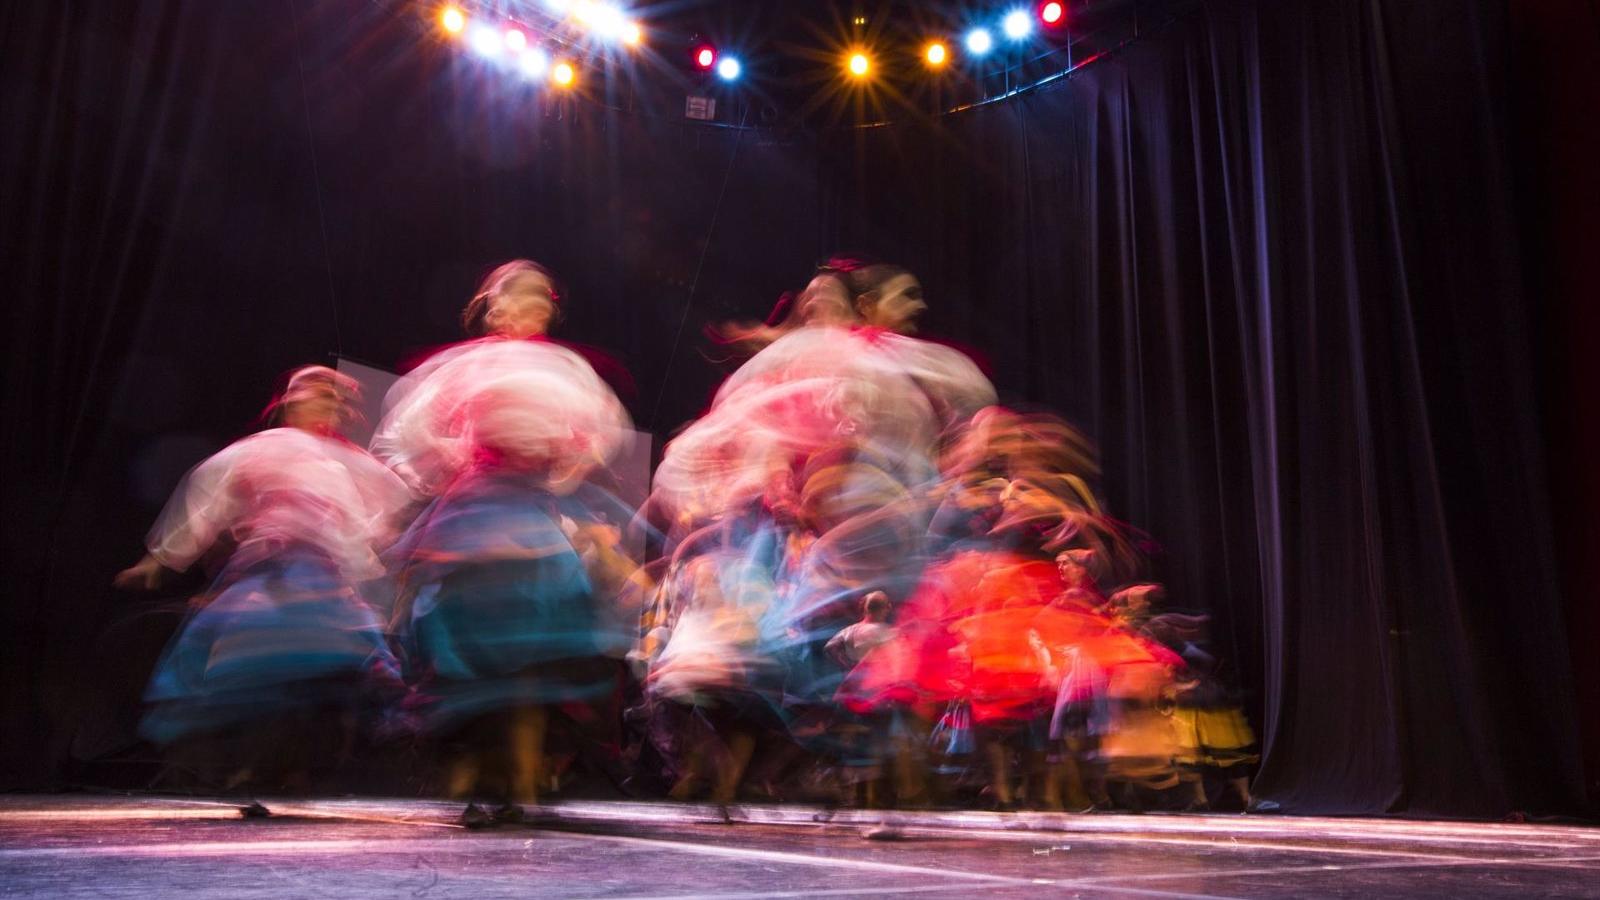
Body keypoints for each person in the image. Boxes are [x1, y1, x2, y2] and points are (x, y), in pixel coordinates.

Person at [374, 259, 643, 826]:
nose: (533, 304)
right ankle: (483, 777)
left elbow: (600, 433)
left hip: (531, 513)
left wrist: (562, 472)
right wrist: (455, 465)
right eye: (518, 295)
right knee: (473, 656)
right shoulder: (462, 370)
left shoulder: (566, 370)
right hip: (475, 512)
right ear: (494, 307)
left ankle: (519, 783)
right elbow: (407, 435)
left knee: (531, 660)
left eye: (542, 296)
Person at [116, 366, 411, 806]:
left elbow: (387, 512)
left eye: (333, 398)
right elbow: (205, 498)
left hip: (321, 585)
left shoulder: (348, 463)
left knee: (320, 679)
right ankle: (255, 769)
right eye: (315, 395)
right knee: (257, 673)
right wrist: (157, 561)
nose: (325, 404)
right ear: (289, 402)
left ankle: (289, 772)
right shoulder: (260, 451)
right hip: (267, 581)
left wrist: (385, 563)